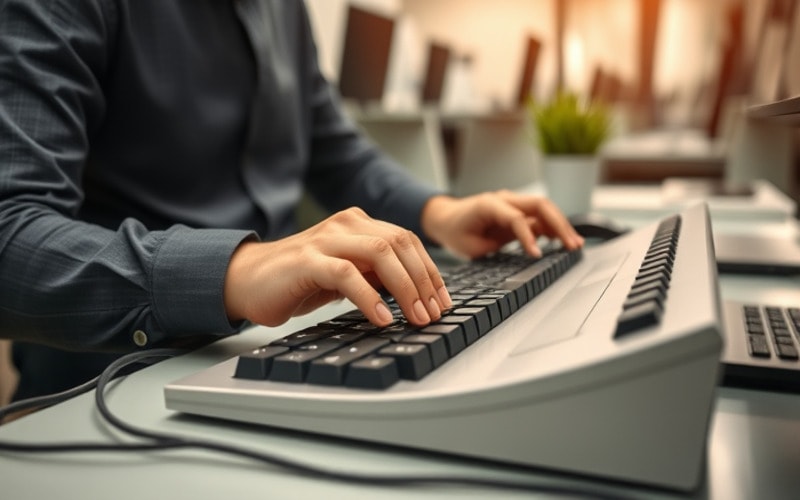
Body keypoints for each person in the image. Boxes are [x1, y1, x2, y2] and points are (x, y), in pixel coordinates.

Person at [0, 0, 583, 401]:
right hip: (113, 381)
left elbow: (337, 152)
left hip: (289, 346)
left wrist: (442, 213)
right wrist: (235, 270)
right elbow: (10, 233)